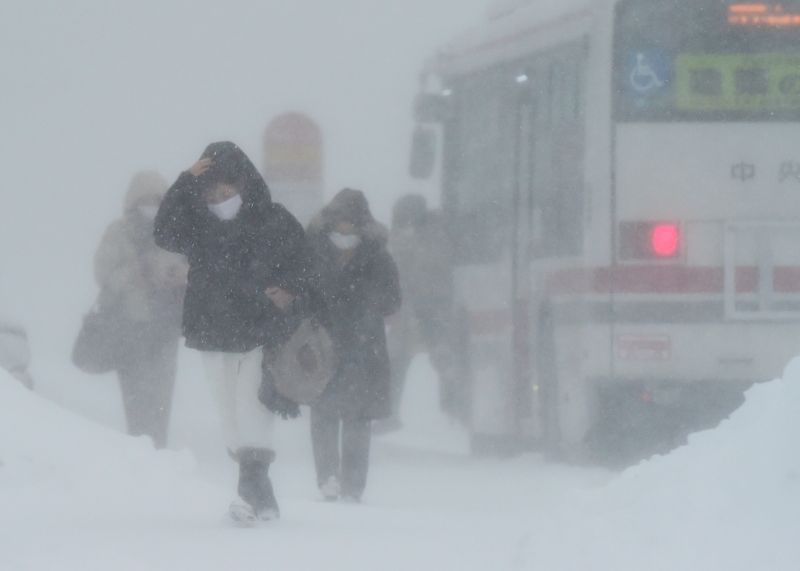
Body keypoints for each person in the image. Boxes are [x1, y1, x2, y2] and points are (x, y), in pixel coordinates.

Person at [153, 142, 313, 523]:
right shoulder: (195, 224)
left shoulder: (273, 219)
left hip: (261, 330)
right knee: (229, 417)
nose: (219, 199)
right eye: (210, 191)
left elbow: (306, 264)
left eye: (227, 190)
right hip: (212, 332)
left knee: (252, 407)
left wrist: (289, 290)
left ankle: (249, 493)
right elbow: (162, 233)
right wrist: (183, 182)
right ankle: (262, 496)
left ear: (244, 184)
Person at [306, 189, 401, 502]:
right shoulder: (312, 251)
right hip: (322, 343)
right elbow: (299, 293)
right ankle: (327, 477)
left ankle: (354, 485)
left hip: (364, 346)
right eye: (340, 224)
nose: (344, 231)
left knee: (358, 416)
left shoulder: (378, 256)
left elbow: (392, 301)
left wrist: (365, 302)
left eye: (351, 225)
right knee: (323, 411)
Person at [94, 171, 187, 449]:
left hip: (166, 328)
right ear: (133, 201)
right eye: (145, 200)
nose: (152, 206)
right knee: (136, 393)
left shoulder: (175, 234)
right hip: (130, 327)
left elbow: (191, 270)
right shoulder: (118, 232)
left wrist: (179, 274)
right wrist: (137, 271)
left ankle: (158, 449)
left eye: (157, 200)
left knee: (161, 395)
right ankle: (138, 447)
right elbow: (103, 273)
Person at [384, 194, 461, 427]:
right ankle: (455, 398)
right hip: (433, 308)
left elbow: (405, 273)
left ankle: (390, 412)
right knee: (437, 354)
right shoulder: (439, 233)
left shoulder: (424, 239)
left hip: (422, 308)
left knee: (398, 359)